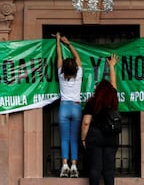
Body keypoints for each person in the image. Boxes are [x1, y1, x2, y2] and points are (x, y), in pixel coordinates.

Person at [81, 54, 119, 185]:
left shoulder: (92, 102)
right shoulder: (114, 99)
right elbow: (113, 84)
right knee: (109, 170)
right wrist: (112, 66)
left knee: (95, 169)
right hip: (111, 136)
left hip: (94, 137)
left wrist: (83, 139)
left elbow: (86, 123)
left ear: (97, 91)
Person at [56, 32, 83, 178]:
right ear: (75, 68)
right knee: (74, 138)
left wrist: (58, 41)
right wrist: (69, 43)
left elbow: (58, 56)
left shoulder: (61, 74)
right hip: (76, 106)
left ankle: (64, 165)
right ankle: (74, 166)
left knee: (64, 138)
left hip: (64, 107)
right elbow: (78, 58)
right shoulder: (78, 74)